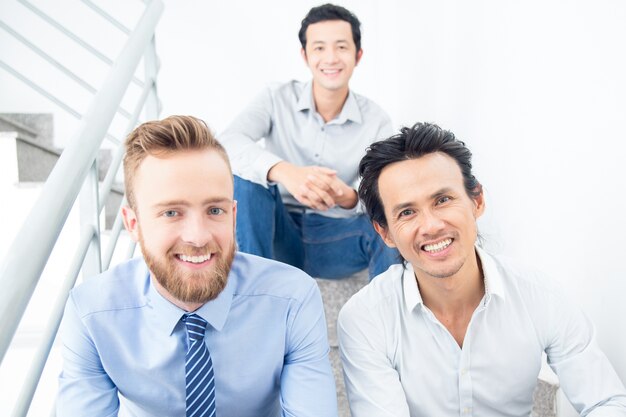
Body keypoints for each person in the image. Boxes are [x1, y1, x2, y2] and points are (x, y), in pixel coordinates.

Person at [56, 116, 338, 417]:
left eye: (214, 210)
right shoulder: (92, 313)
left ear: (232, 216)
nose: (199, 237)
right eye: (171, 213)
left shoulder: (292, 299)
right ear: (133, 224)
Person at [337, 122, 626, 416]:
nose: (432, 226)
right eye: (407, 212)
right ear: (385, 232)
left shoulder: (538, 294)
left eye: (443, 200)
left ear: (477, 201)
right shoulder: (366, 318)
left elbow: (606, 402)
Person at [219, 4, 398, 279]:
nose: (330, 58)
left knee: (389, 223)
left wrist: (348, 197)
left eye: (341, 47)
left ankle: (389, 315)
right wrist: (284, 172)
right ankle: (256, 292)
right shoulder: (275, 97)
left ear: (357, 55)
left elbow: (388, 192)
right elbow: (227, 142)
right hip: (276, 232)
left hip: (336, 238)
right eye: (319, 48)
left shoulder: (377, 120)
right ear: (304, 55)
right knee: (246, 175)